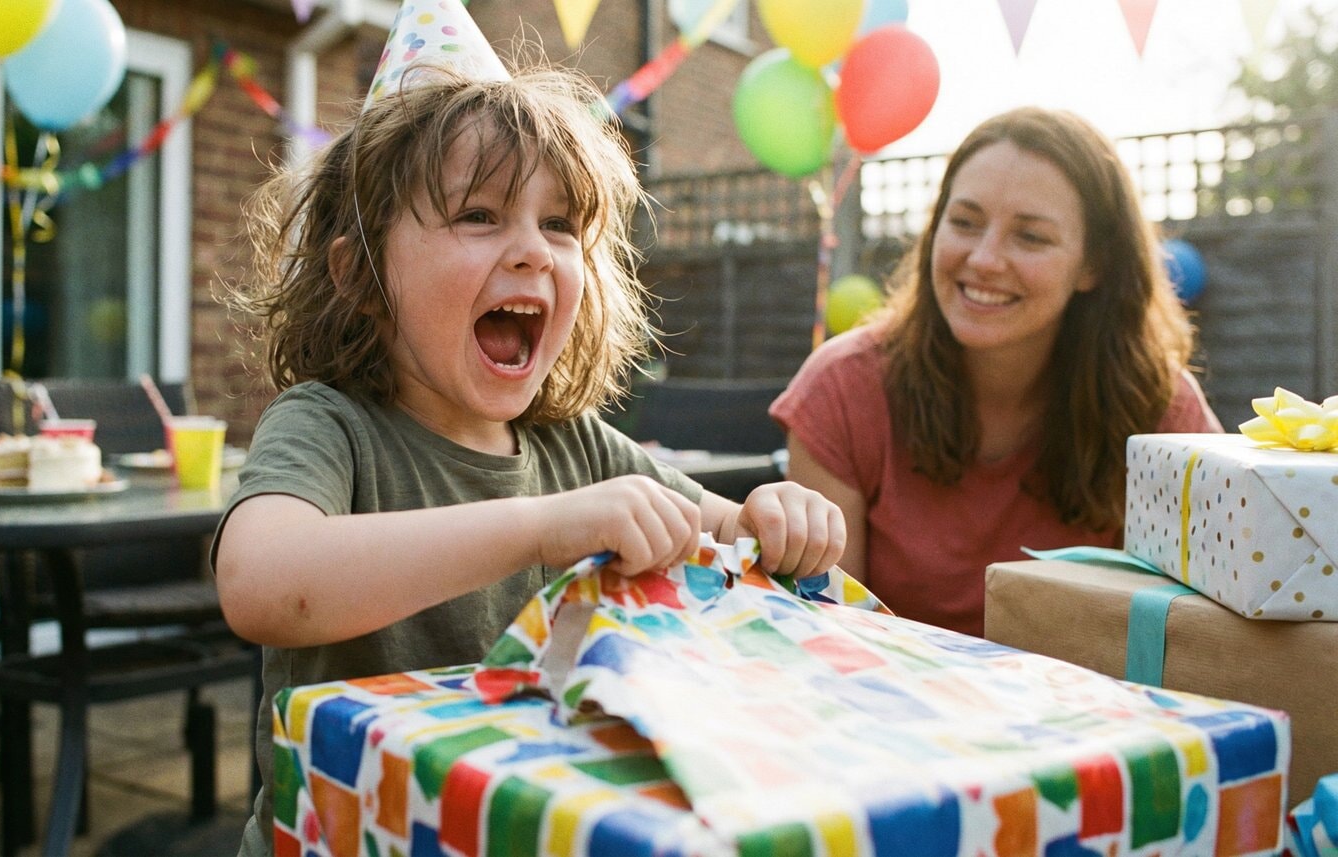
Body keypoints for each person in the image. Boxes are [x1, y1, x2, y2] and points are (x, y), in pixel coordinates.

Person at [213, 7, 845, 853]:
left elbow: (729, 535)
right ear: (360, 275)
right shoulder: (330, 427)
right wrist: (542, 526)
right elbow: (262, 583)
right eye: (480, 215)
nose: (533, 252)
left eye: (559, 225)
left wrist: (778, 517)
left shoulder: (575, 446)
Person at [770, 106, 1222, 639]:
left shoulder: (1159, 406)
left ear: (1093, 264)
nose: (983, 259)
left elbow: (1205, 631)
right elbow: (829, 638)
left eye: (1030, 237)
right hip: (890, 709)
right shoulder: (843, 389)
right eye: (963, 222)